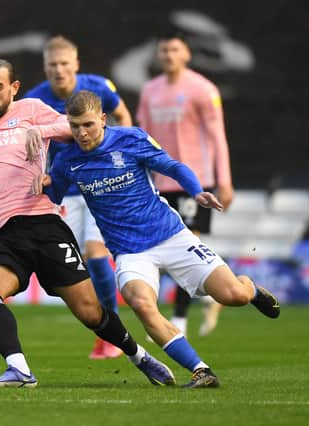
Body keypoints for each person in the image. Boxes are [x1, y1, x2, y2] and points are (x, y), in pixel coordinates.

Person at [0, 59, 176, 388]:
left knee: (90, 311)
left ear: (13, 88)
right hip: (4, 235)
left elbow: (71, 130)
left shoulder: (31, 109)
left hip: (44, 223)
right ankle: (19, 369)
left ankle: (139, 356)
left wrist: (39, 130)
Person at [32, 90, 280, 388]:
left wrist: (195, 190)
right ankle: (202, 371)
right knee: (141, 304)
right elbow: (54, 194)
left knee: (233, 296)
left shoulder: (131, 139)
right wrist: (44, 183)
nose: (81, 134)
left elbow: (172, 166)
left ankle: (250, 288)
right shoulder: (68, 159)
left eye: (88, 125)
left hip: (171, 236)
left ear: (103, 119)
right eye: (74, 126)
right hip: (129, 253)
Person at [23, 35, 133, 359]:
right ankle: (107, 327)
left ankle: (112, 336)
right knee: (76, 263)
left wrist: (122, 155)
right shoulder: (34, 100)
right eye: (52, 65)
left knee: (97, 253)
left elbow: (123, 115)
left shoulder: (97, 86)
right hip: (64, 190)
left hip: (99, 184)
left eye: (64, 64)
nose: (58, 70)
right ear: (45, 67)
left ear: (76, 65)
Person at [136, 31, 234, 337]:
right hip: (159, 183)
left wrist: (224, 180)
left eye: (174, 49)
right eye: (164, 49)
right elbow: (143, 139)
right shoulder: (150, 91)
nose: (168, 55)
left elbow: (217, 136)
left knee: (187, 248)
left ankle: (178, 321)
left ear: (187, 54)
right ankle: (219, 285)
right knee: (159, 251)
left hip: (195, 182)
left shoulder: (203, 89)